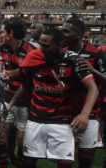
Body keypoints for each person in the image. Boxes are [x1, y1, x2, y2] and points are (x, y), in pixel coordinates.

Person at [18, 27, 98, 168]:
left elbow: (93, 88)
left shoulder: (73, 60)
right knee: (28, 163)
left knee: (65, 164)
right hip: (35, 120)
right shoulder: (34, 56)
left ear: (60, 45)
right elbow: (21, 76)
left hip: (61, 122)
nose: (41, 49)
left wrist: (84, 114)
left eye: (46, 46)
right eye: (40, 44)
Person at [61, 18, 106, 168]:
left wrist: (93, 71)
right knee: (64, 159)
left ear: (79, 34)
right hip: (64, 112)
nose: (62, 34)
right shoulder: (61, 52)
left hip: (90, 113)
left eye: (66, 31)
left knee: (85, 159)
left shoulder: (96, 53)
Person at [0, 17, 37, 168]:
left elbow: (26, 84)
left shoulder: (30, 52)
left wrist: (10, 105)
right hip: (7, 99)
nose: (0, 34)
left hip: (25, 102)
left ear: (10, 33)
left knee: (21, 141)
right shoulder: (1, 47)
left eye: (3, 32)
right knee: (0, 138)